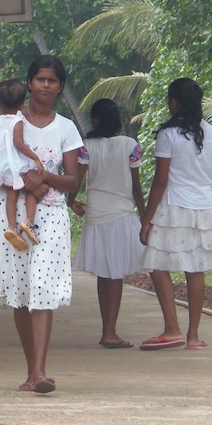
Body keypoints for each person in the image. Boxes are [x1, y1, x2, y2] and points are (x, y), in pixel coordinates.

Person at [0, 55, 82, 394]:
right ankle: (32, 371)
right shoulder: (5, 122)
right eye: (40, 79)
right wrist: (25, 183)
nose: (46, 85)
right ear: (29, 83)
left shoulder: (66, 128)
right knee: (21, 293)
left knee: (42, 288)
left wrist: (44, 177)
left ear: (60, 87)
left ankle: (40, 372)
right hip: (12, 215)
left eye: (53, 80)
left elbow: (73, 181)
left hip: (52, 217)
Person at [139, 78, 212, 351]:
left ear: (173, 102)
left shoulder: (169, 135)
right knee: (195, 270)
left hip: (173, 206)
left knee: (157, 264)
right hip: (204, 209)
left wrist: (147, 219)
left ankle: (171, 328)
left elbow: (161, 181)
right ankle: (193, 336)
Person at [69, 99, 146, 349]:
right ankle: (109, 332)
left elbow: (76, 180)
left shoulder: (86, 147)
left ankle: (108, 330)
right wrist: (146, 219)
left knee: (105, 274)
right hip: (122, 215)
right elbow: (136, 187)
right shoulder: (131, 146)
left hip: (96, 215)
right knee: (115, 276)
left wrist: (71, 202)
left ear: (95, 121)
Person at [0, 78, 44, 251]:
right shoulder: (17, 122)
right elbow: (19, 144)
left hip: (1, 166)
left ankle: (11, 226)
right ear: (23, 104)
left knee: (11, 195)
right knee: (31, 190)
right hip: (16, 165)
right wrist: (36, 158)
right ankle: (28, 222)